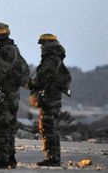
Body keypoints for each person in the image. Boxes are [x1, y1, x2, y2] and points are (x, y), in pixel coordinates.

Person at [0, 22, 28, 169]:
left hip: (5, 94)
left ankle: (3, 160)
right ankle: (11, 159)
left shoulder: (6, 50)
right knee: (9, 128)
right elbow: (25, 70)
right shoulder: (14, 49)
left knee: (0, 127)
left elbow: (1, 72)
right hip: (13, 94)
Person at [27, 34, 71, 167]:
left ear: (48, 45)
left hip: (50, 99)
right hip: (52, 98)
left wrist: (30, 84)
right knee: (50, 127)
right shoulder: (54, 59)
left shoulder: (51, 61)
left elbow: (41, 80)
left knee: (48, 128)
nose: (41, 47)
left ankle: (52, 158)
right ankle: (52, 157)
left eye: (42, 44)